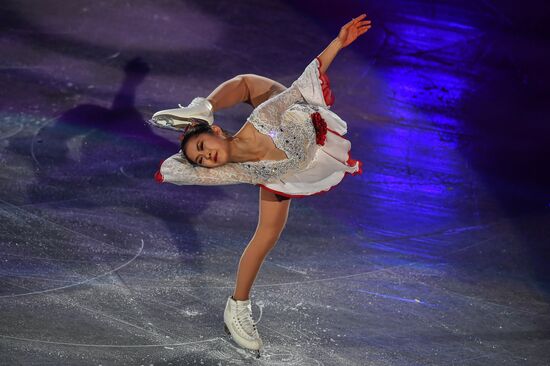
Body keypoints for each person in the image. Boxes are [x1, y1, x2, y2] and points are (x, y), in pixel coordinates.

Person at [149, 13, 372, 358]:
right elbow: (173, 171)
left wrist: (338, 42)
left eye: (203, 146)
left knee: (251, 84)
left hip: (299, 121)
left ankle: (203, 106)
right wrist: (185, 153)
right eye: (200, 158)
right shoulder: (235, 171)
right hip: (284, 171)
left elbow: (302, 83)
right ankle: (237, 306)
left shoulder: (261, 120)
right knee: (267, 236)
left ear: (217, 130)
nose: (206, 157)